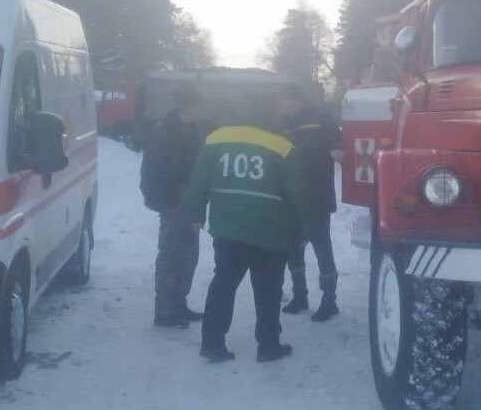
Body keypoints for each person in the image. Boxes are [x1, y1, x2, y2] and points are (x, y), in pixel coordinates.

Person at [181, 103, 313, 363]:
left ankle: (212, 343)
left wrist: (195, 214)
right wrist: (306, 229)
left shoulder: (217, 139)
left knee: (223, 284)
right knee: (269, 290)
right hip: (271, 231)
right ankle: (268, 346)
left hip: (228, 229)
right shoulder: (283, 147)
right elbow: (300, 194)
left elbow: (198, 181)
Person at [140, 83, 206, 328]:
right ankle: (165, 312)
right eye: (197, 106)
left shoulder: (193, 129)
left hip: (189, 203)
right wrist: (175, 194)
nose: (200, 111)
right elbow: (155, 171)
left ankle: (179, 303)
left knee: (189, 256)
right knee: (171, 256)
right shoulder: (164, 132)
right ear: (186, 107)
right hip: (173, 202)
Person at [277, 85, 342, 321]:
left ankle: (329, 300)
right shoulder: (283, 124)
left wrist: (336, 149)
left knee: (321, 246)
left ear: (295, 100)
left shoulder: (320, 119)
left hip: (317, 196)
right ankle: (300, 296)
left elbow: (337, 140)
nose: (281, 106)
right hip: (291, 197)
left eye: (283, 101)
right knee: (293, 247)